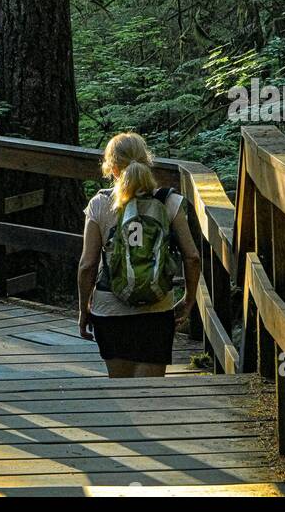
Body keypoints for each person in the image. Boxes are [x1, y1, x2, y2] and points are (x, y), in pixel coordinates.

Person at [77, 131, 201, 377]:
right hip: (156, 309)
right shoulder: (169, 201)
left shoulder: (100, 204)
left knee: (122, 387)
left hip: (110, 310)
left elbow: (87, 265)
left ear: (112, 169)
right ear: (146, 163)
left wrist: (84, 309)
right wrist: (189, 300)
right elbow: (193, 257)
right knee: (150, 395)